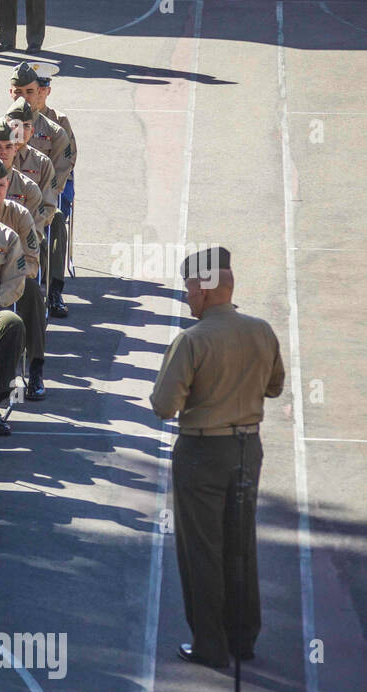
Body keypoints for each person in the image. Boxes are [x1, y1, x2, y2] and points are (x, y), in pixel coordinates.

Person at [150, 248, 284, 668]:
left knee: (202, 549)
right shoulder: (261, 330)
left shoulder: (192, 340)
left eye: (190, 288)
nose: (187, 296)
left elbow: (163, 405)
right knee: (240, 542)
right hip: (247, 447)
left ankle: (210, 644)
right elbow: (275, 386)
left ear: (206, 291)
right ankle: (243, 637)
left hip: (202, 451)